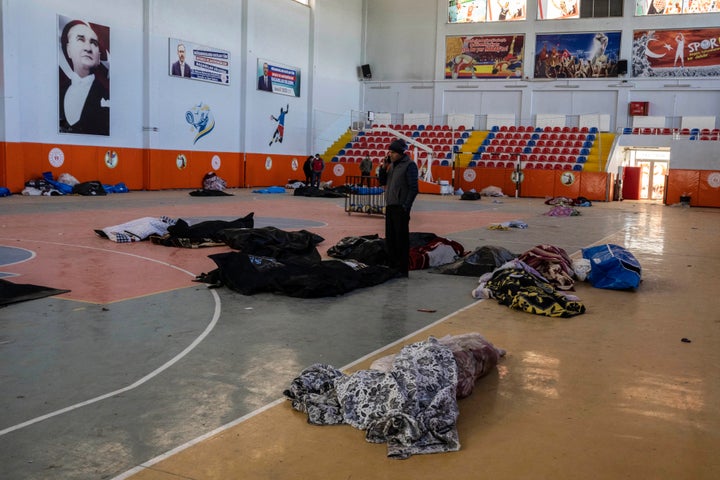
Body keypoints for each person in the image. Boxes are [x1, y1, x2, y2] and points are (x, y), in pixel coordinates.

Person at [59, 19, 109, 136]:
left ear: (99, 57)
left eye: (94, 43)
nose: (88, 48)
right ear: (69, 50)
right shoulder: (59, 93)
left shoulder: (108, 94)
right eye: (81, 40)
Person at [383, 139, 418, 278]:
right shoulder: (391, 166)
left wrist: (406, 207)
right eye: (389, 152)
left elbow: (414, 188)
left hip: (400, 208)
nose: (390, 154)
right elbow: (382, 181)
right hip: (391, 206)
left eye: (392, 152)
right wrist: (382, 168)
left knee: (401, 240)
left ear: (400, 153)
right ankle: (392, 266)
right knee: (390, 238)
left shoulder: (409, 165)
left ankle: (402, 269)